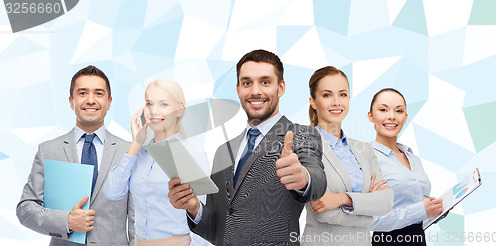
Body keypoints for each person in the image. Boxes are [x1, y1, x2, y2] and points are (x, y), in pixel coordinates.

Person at [168, 49, 327, 245]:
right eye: (247, 83)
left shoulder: (301, 135)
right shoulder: (223, 151)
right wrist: (193, 207)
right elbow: (216, 230)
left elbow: (317, 181)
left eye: (265, 82)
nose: (255, 91)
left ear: (281, 87)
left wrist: (303, 177)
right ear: (238, 89)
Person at [16, 65, 135, 245]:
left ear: (109, 102)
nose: (90, 100)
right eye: (82, 93)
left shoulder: (129, 152)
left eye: (99, 93)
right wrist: (66, 221)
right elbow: (26, 208)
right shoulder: (48, 150)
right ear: (71, 102)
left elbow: (138, 219)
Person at [103, 79, 211, 246]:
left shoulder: (192, 155)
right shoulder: (138, 156)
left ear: (180, 109)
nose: (154, 111)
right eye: (149, 104)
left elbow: (205, 219)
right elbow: (112, 192)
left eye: (163, 104)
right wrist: (136, 145)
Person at [302, 66, 393, 245]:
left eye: (342, 94)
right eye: (327, 95)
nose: (337, 102)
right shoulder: (306, 147)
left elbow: (386, 202)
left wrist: (341, 199)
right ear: (313, 101)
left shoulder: (364, 149)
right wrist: (370, 215)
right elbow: (324, 212)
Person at [368, 88, 444, 245]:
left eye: (399, 111)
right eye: (383, 109)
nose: (391, 116)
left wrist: (434, 211)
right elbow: (372, 220)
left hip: (418, 239)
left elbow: (415, 206)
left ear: (405, 117)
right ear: (371, 116)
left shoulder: (412, 157)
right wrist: (421, 210)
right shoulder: (367, 158)